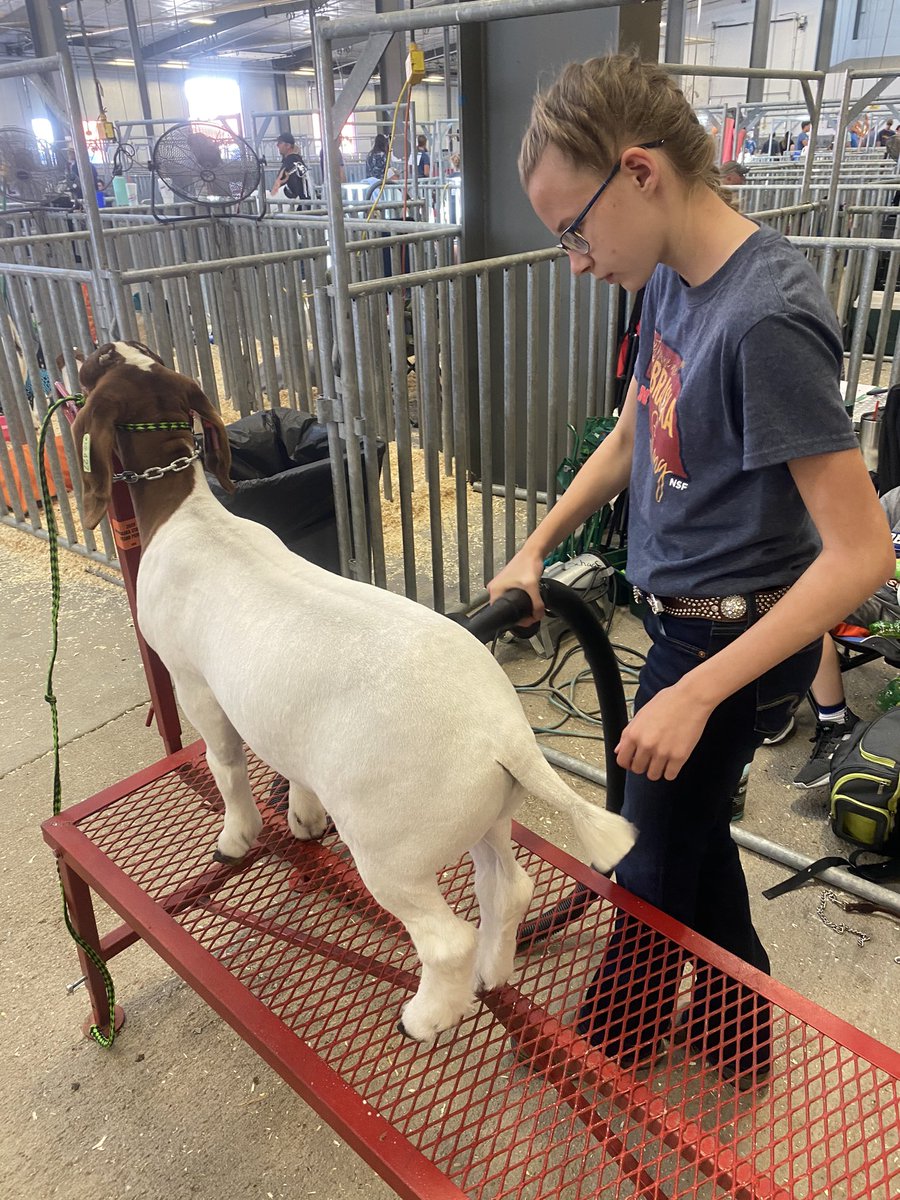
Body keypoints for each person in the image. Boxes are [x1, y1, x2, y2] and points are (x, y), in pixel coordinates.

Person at [489, 52, 894, 1087]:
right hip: (681, 619)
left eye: (574, 229)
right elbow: (635, 431)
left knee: (651, 856)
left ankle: (612, 1050)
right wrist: (539, 542)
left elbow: (861, 554)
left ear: (640, 172)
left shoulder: (765, 319)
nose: (575, 261)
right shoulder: (670, 274)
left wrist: (701, 691)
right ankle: (736, 1037)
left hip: (732, 636)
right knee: (692, 839)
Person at [790, 485, 900, 788]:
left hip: (895, 615)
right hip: (870, 596)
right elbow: (860, 546)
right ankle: (831, 721)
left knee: (808, 604)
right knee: (794, 599)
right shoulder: (896, 499)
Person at [270, 131, 309, 201]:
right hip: (305, 202)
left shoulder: (289, 163)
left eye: (280, 143)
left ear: (288, 145)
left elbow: (283, 185)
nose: (277, 145)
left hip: (295, 205)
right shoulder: (298, 161)